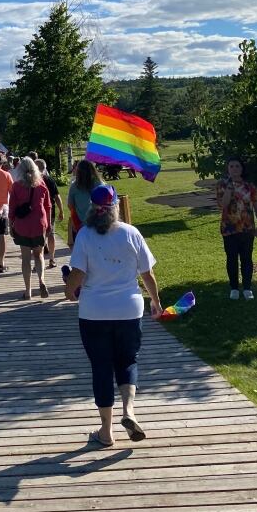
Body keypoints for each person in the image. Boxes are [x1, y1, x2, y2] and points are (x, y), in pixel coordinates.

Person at [64, 184, 163, 447]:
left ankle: (106, 432)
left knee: (101, 367)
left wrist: (69, 290)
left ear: (92, 210)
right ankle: (129, 411)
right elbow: (147, 274)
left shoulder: (85, 235)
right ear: (115, 207)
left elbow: (78, 274)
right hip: (129, 309)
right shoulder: (131, 233)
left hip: (94, 312)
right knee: (128, 361)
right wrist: (155, 301)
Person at [216, 157, 257, 300]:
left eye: (237, 166)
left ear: (242, 169)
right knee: (231, 258)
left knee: (247, 258)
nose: (234, 169)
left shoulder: (249, 186)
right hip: (229, 228)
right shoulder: (222, 184)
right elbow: (223, 204)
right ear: (228, 169)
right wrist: (229, 188)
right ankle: (234, 288)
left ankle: (247, 288)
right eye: (231, 166)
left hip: (247, 228)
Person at [8, 156, 52, 300]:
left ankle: (28, 291)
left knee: (25, 258)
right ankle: (42, 280)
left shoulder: (16, 186)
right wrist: (49, 224)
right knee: (39, 255)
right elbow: (48, 206)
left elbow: (12, 208)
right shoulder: (41, 185)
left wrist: (11, 224)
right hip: (39, 225)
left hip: (22, 226)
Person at [36, 158, 64, 267]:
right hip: (49, 211)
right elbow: (57, 197)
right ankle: (52, 259)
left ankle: (39, 260)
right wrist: (61, 210)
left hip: (36, 212)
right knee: (51, 234)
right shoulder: (49, 180)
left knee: (39, 236)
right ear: (44, 168)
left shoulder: (32, 181)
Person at [67, 159, 102, 243]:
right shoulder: (99, 184)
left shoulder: (74, 186)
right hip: (98, 223)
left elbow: (70, 205)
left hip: (81, 224)